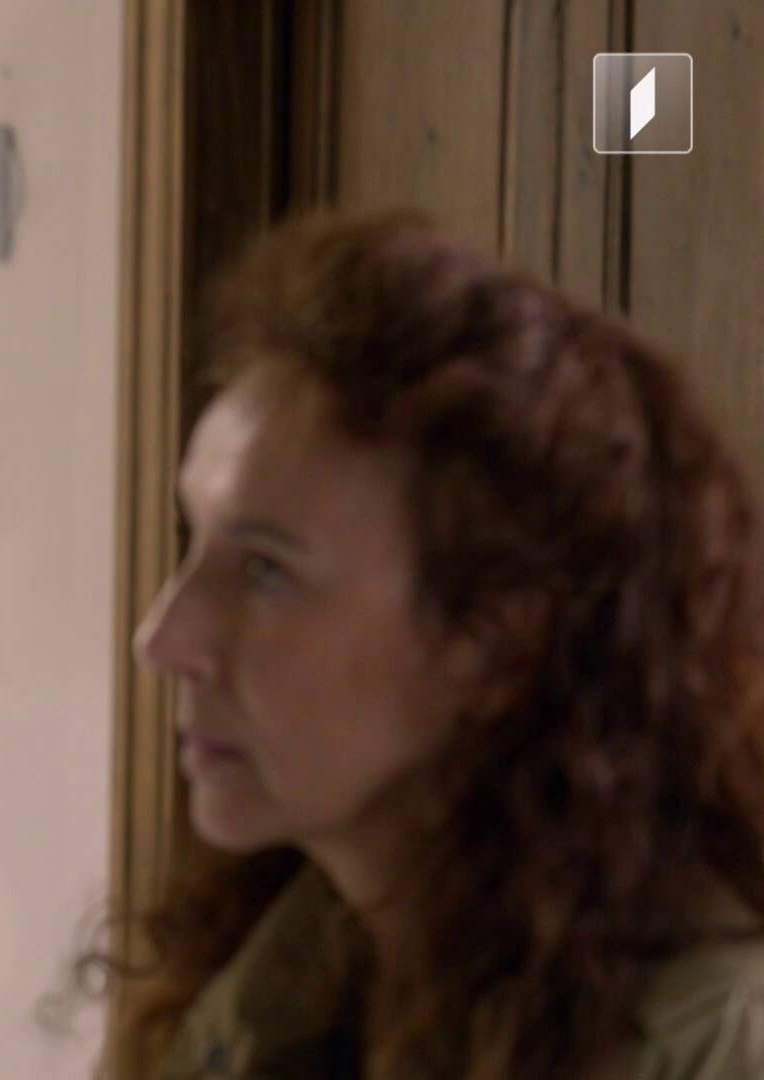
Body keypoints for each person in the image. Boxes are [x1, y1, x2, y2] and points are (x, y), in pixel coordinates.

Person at [119, 211, 764, 1078]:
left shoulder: (713, 1047)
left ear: (490, 649)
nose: (163, 639)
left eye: (267, 572)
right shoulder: (274, 985)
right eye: (191, 540)